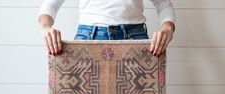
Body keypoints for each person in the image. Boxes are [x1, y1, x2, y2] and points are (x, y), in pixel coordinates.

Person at [38, 0, 176, 56]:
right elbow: (51, 4)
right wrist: (45, 27)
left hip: (134, 38)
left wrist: (168, 28)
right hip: (89, 38)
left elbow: (163, 4)